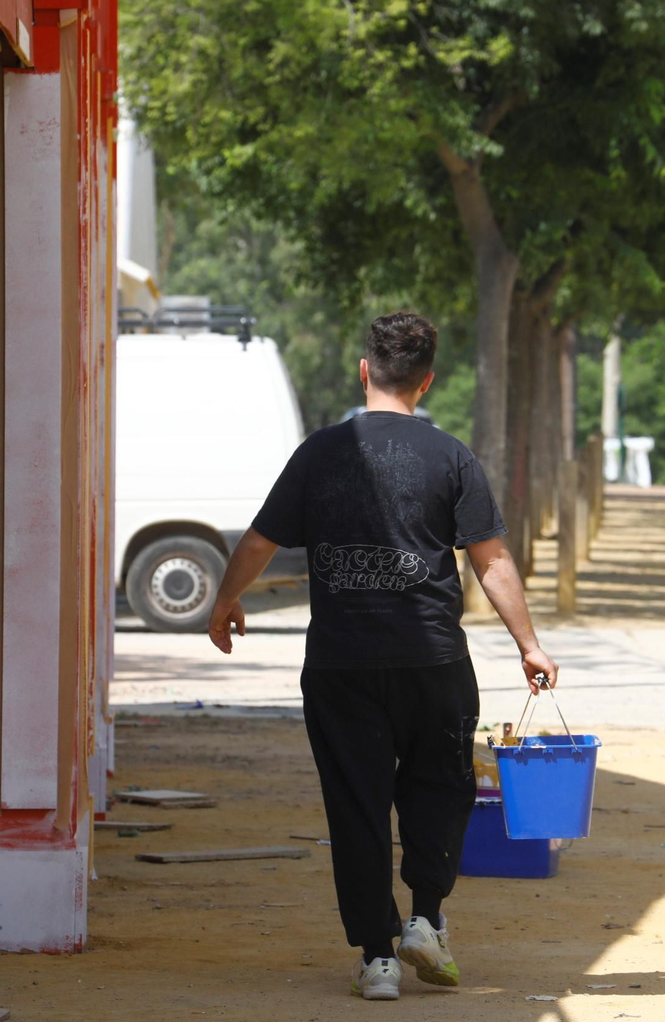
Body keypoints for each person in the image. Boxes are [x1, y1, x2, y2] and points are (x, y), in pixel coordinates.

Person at [206, 311, 559, 1001]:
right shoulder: (451, 456)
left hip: (341, 665)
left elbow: (259, 540)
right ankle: (425, 918)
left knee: (355, 804)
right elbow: (491, 560)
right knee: (441, 789)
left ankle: (377, 959)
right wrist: (530, 644)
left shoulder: (319, 452)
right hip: (433, 662)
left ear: (364, 371)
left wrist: (225, 601)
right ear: (426, 382)